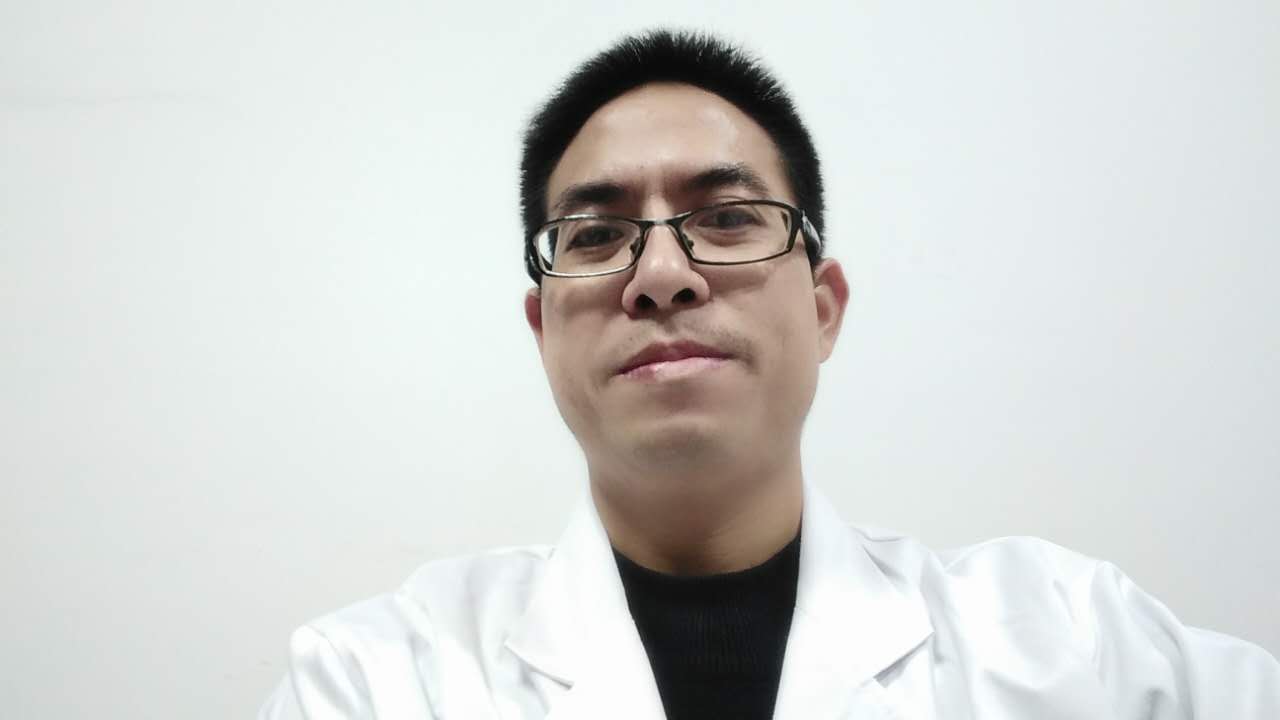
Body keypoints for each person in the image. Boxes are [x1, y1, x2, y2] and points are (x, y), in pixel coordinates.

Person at [258, 29, 1279, 719]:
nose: (662, 275)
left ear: (823, 308)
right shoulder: (379, 682)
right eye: (598, 234)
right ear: (542, 329)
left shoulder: (1072, 642)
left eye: (727, 217)